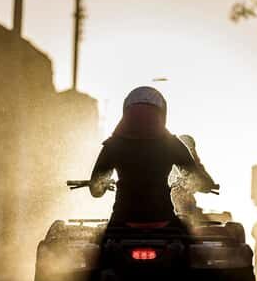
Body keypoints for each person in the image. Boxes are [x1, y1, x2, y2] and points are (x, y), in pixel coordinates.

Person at [89, 87, 216, 225]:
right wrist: (198, 184)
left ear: (126, 112)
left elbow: (95, 190)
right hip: (163, 220)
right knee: (188, 236)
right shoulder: (173, 144)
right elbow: (201, 183)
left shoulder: (113, 145)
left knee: (103, 239)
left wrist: (103, 185)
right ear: (162, 114)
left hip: (122, 220)